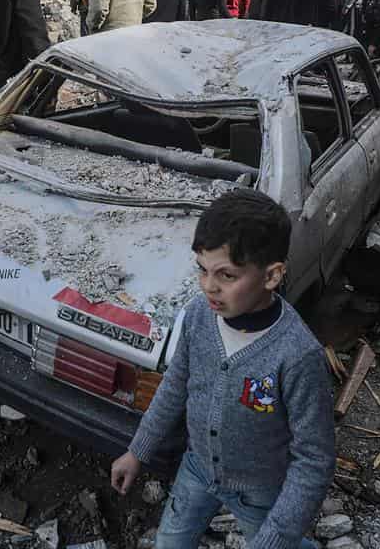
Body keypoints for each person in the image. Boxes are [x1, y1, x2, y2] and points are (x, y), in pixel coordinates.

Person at [111, 188, 334, 549]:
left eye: (226, 276)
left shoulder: (297, 356)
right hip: (197, 470)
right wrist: (138, 450)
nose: (209, 287)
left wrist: (276, 536)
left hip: (261, 492)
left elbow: (314, 459)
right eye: (202, 270)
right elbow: (176, 384)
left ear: (272, 276)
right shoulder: (199, 316)